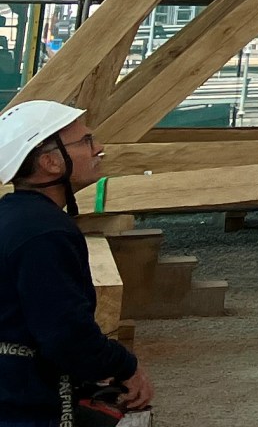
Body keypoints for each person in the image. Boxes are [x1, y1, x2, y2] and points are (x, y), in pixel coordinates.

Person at [0, 100, 148, 425]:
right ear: (51, 162)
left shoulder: (15, 218)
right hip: (26, 402)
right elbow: (65, 336)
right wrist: (126, 367)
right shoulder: (44, 232)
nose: (99, 148)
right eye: (86, 141)